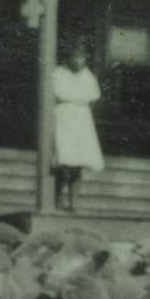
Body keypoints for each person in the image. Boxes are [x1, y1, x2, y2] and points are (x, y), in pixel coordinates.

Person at [52, 41, 104, 213]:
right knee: (63, 162)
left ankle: (74, 202)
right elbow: (56, 93)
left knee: (78, 164)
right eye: (74, 56)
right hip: (63, 118)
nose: (77, 60)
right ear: (68, 57)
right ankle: (57, 201)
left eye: (81, 57)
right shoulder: (58, 73)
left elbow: (93, 96)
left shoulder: (88, 76)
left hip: (81, 121)